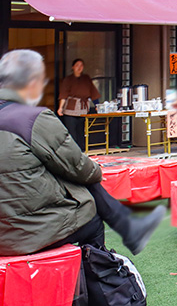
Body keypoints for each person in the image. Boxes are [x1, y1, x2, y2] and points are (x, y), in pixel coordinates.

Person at [0, 50, 165, 257]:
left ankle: (129, 227)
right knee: (91, 216)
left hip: (5, 227)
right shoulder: (33, 119)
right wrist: (96, 170)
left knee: (65, 168)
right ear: (31, 82)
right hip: (27, 232)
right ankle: (101, 269)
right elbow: (79, 168)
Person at [57, 58, 100, 150]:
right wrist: (60, 108)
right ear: (73, 67)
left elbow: (93, 92)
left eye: (81, 65)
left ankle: (81, 150)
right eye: (77, 65)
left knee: (81, 132)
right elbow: (63, 94)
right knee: (71, 132)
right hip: (70, 109)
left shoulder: (86, 78)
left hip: (83, 109)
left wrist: (97, 105)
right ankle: (72, 150)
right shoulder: (68, 79)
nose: (79, 67)